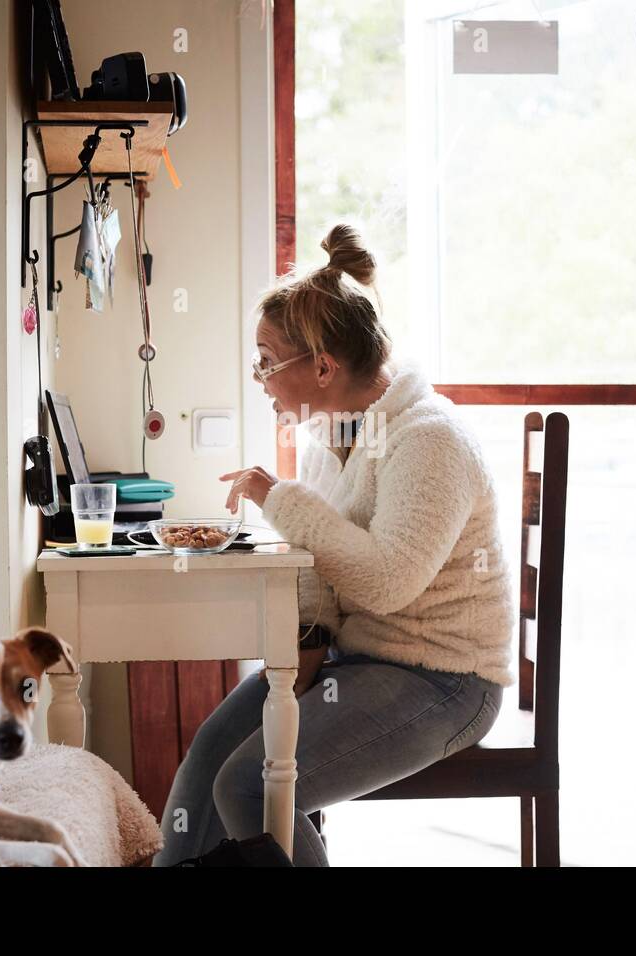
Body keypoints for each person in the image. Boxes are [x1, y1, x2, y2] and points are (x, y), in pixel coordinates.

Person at [152, 223, 515, 866]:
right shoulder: (333, 437)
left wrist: (278, 497)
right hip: (358, 660)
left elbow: (385, 580)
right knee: (205, 764)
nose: (260, 377)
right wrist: (309, 643)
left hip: (444, 679)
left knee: (248, 786)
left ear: (323, 366)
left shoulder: (429, 439)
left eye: (267, 360)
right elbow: (322, 566)